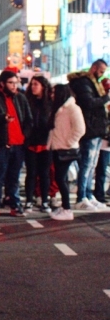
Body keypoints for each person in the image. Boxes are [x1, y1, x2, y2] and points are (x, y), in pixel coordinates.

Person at [0, 69, 32, 217]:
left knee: (14, 177)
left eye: (16, 83)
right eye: (11, 83)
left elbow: (28, 119)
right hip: (1, 143)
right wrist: (2, 118)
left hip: (18, 144)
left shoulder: (20, 98)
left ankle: (15, 205)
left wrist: (25, 136)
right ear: (2, 83)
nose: (14, 86)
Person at [68, 60, 109, 209]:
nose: (102, 74)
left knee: (92, 164)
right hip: (89, 128)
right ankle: (82, 197)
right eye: (101, 71)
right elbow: (89, 103)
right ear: (94, 68)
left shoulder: (91, 83)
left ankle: (88, 194)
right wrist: (106, 97)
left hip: (96, 128)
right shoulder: (84, 83)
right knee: (87, 163)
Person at [48, 83, 85, 221]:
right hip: (58, 148)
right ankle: (65, 207)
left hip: (66, 149)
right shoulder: (60, 108)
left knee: (60, 178)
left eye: (54, 93)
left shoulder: (72, 108)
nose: (51, 95)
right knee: (60, 178)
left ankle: (67, 209)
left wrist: (68, 142)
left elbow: (80, 129)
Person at [22, 75, 54, 212]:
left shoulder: (50, 103)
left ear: (43, 87)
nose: (33, 87)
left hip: (46, 143)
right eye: (32, 84)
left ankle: (44, 200)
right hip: (30, 142)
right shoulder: (27, 101)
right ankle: (29, 200)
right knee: (31, 172)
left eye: (36, 84)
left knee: (44, 173)